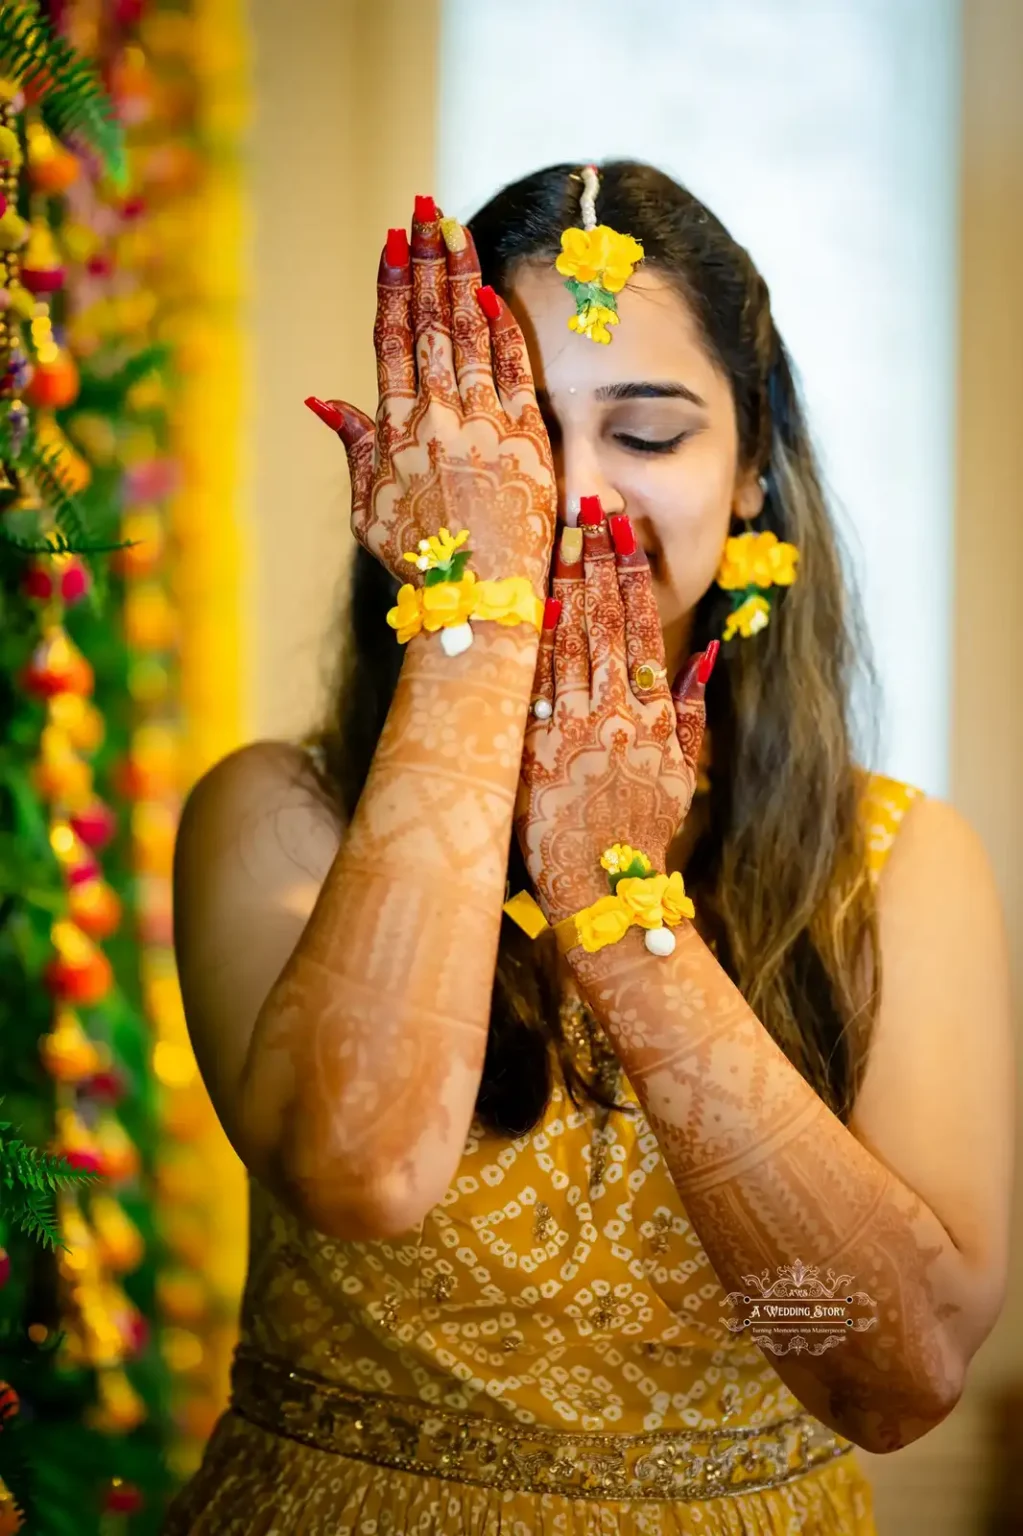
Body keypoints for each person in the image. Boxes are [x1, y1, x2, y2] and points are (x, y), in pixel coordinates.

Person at [165, 162, 1012, 1534]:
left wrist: (619, 912)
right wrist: (476, 632)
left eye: (649, 433)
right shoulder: (276, 816)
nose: (559, 493)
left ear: (751, 479)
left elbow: (898, 1368)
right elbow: (364, 1166)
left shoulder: (901, 865)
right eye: (508, 431)